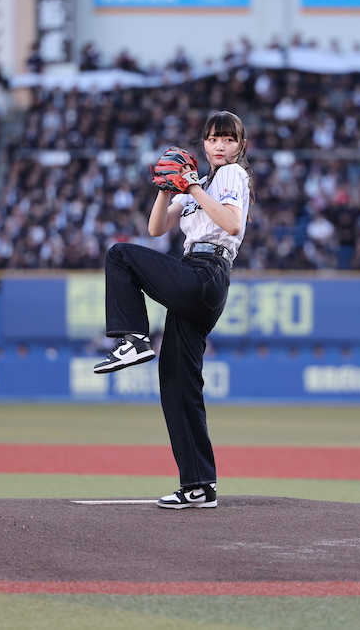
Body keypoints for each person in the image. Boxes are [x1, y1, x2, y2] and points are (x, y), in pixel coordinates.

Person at [94, 110, 253, 510]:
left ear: (240, 146)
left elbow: (232, 224)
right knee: (178, 385)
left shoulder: (231, 175)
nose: (221, 146)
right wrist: (166, 187)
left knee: (120, 256)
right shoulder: (201, 182)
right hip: (194, 277)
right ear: (204, 143)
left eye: (229, 139)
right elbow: (155, 228)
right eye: (214, 138)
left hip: (207, 271)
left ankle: (132, 339)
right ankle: (198, 485)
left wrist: (193, 187)